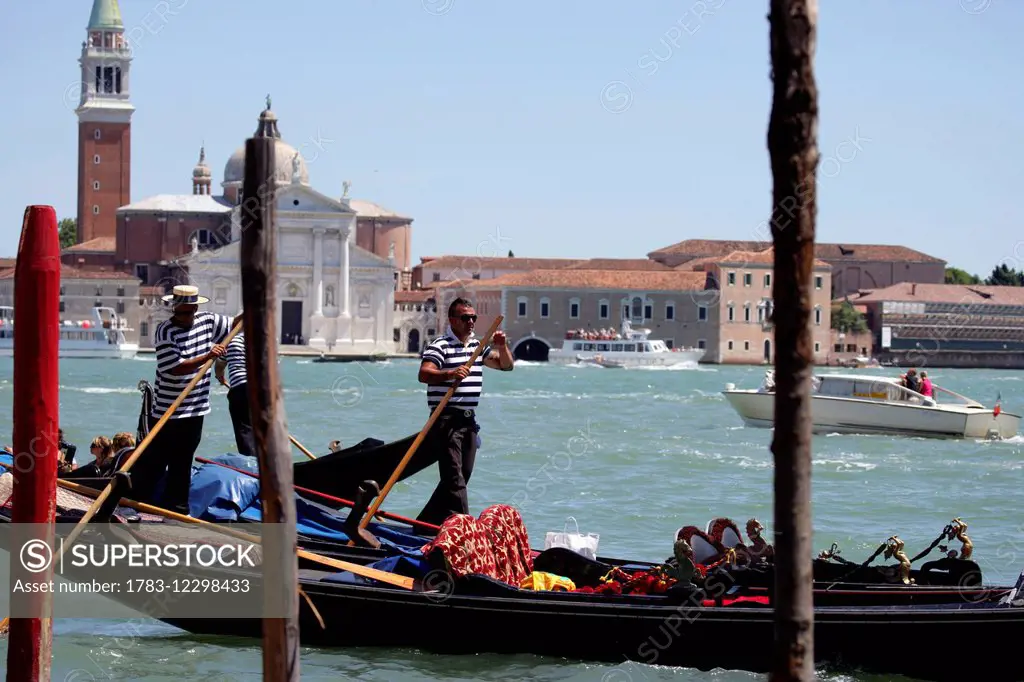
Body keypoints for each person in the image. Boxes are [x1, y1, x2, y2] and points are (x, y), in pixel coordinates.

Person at [131, 285, 243, 514]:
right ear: (175, 309)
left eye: (192, 312)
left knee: (183, 461)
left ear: (196, 308)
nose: (188, 318)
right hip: (166, 409)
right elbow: (174, 368)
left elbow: (234, 326)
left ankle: (177, 509)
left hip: (195, 408)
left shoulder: (207, 320)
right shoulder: (165, 331)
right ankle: (136, 501)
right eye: (183, 313)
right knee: (155, 460)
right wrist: (209, 356)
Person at [415, 297, 514, 525]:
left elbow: (506, 366)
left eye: (473, 318)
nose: (470, 322)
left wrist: (502, 346)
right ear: (452, 320)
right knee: (454, 479)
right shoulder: (440, 346)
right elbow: (424, 374)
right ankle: (465, 527)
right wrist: (450, 373)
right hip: (445, 420)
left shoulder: (477, 347)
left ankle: (426, 522)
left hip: (468, 422)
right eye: (465, 318)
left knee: (463, 475)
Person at [215, 331, 256, 456]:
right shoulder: (265, 341)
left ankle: (252, 468)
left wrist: (220, 376)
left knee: (245, 431)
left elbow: (220, 363)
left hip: (241, 388)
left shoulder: (232, 341)